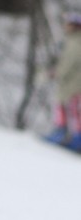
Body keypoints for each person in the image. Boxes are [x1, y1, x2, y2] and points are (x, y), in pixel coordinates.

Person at [45, 12, 81, 153]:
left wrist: (54, 73)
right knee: (70, 108)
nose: (65, 26)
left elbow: (67, 64)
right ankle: (68, 136)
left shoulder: (75, 42)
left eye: (68, 24)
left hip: (74, 84)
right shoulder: (73, 41)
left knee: (70, 109)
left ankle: (67, 136)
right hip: (72, 83)